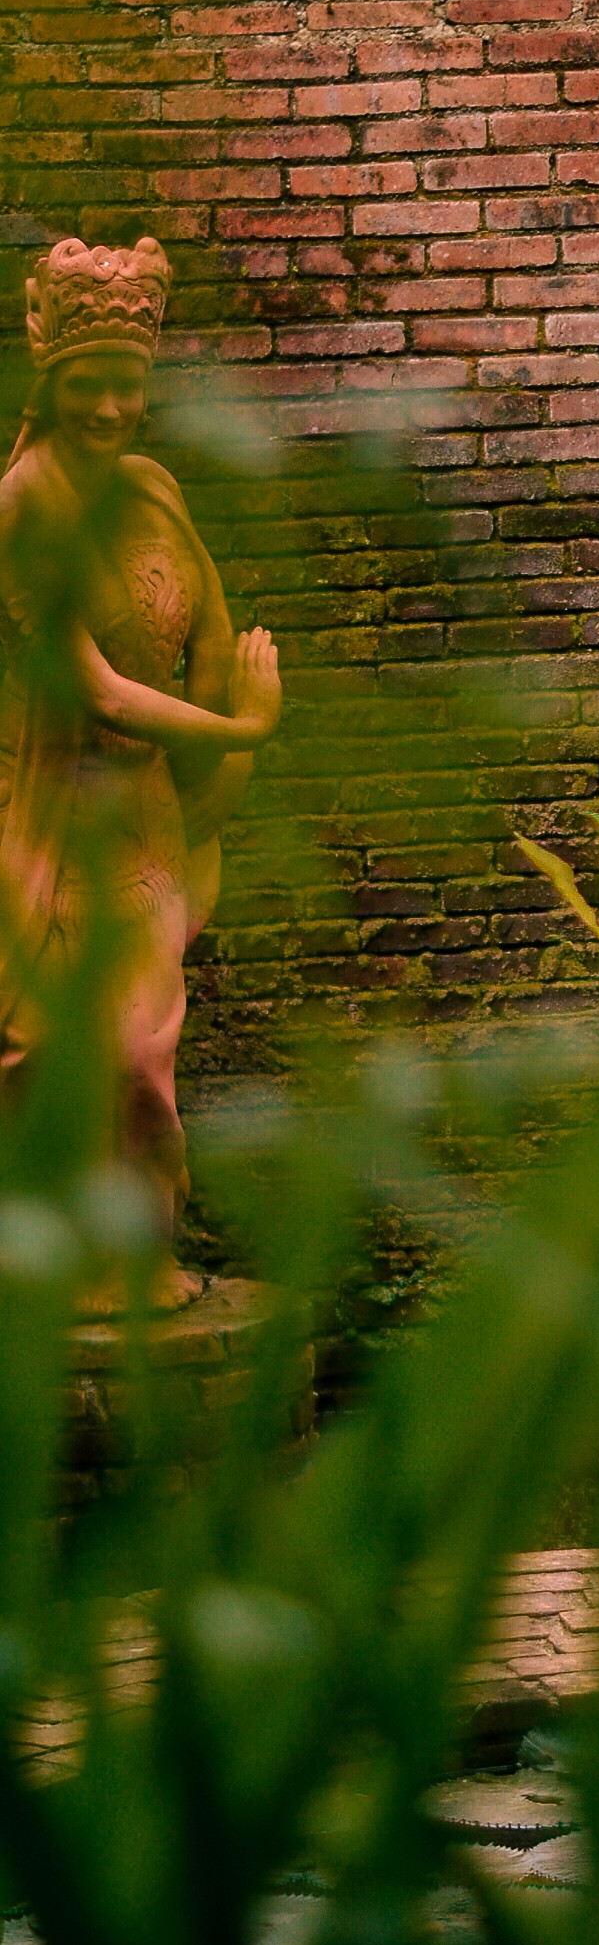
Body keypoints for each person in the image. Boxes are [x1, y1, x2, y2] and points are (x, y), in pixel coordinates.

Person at [0, 236, 282, 1282]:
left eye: (128, 385)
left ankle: (138, 1256)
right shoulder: (24, 502)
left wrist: (221, 717)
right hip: (53, 813)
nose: (112, 407)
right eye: (90, 386)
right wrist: (244, 730)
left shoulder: (155, 489)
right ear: (52, 378)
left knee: (143, 1052)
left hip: (144, 814)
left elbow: (210, 630)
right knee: (60, 1047)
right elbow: (100, 689)